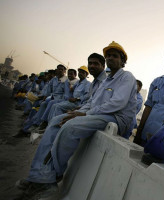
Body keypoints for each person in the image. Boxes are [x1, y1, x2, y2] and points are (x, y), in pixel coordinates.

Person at [15, 41, 137, 199]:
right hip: (101, 114)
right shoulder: (106, 81)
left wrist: (85, 115)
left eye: (115, 56)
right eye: (108, 56)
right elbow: (93, 103)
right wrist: (77, 112)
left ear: (122, 60)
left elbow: (117, 103)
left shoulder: (127, 77)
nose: (110, 58)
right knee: (58, 120)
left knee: (70, 127)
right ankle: (36, 175)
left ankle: (49, 180)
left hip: (116, 118)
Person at [47, 54, 107, 118]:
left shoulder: (88, 84)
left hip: (79, 103)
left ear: (86, 74)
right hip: (80, 105)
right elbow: (90, 100)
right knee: (55, 108)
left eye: (95, 64)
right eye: (90, 63)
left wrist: (77, 99)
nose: (92, 66)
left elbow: (88, 97)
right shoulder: (79, 83)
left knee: (57, 108)